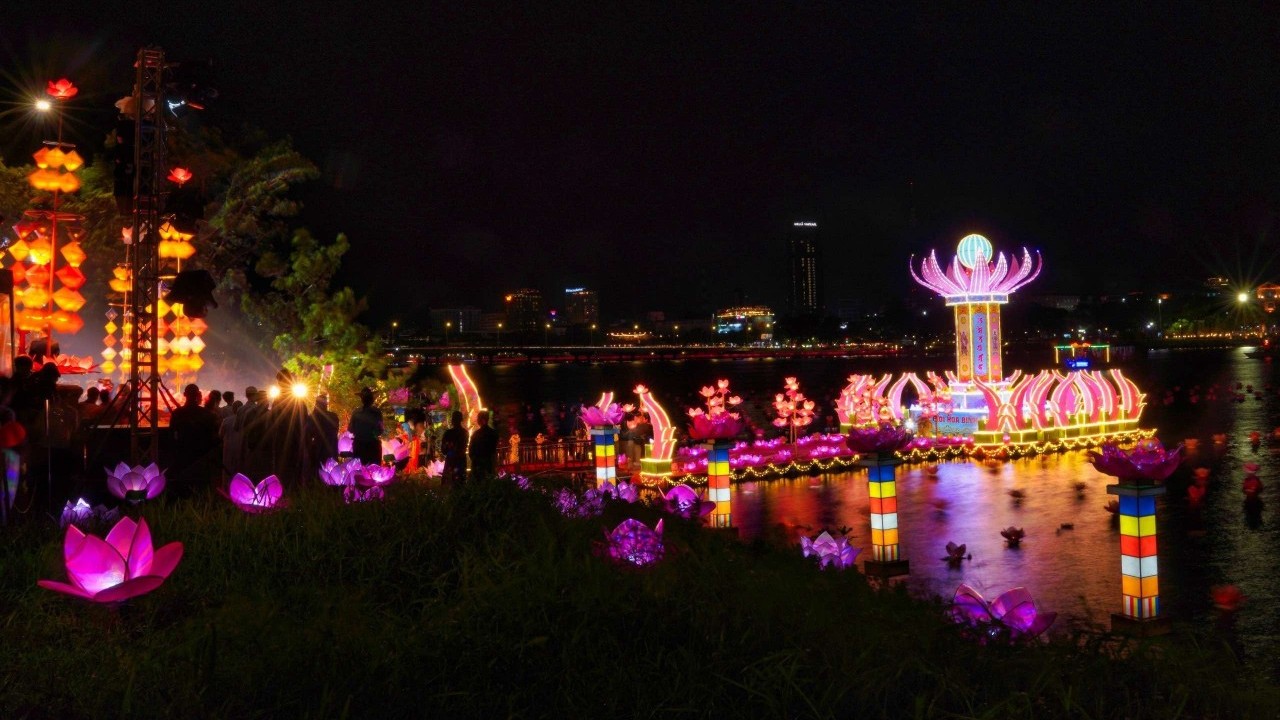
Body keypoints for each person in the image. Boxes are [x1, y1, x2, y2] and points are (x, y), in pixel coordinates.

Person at [169, 384, 221, 495]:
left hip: (183, 457)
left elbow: (171, 436)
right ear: (198, 395)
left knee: (182, 491)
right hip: (202, 458)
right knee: (202, 492)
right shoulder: (208, 415)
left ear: (184, 395)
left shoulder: (177, 414)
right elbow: (214, 437)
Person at [306, 394, 340, 475]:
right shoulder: (333, 416)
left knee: (318, 472)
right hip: (331, 448)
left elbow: (309, 433)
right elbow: (335, 430)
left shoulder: (312, 417)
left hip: (318, 450)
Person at [348, 387, 384, 464]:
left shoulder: (356, 412)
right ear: (372, 399)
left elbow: (350, 429)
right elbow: (380, 430)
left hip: (359, 445)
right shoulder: (377, 412)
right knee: (372, 471)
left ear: (361, 399)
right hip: (373, 446)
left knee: (359, 470)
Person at [468, 410, 499, 480]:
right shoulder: (493, 433)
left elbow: (471, 449)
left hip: (479, 464)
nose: (477, 420)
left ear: (483, 419)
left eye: (478, 418)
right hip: (489, 463)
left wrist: (474, 459)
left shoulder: (476, 434)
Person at [440, 410, 468, 485]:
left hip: (451, 461)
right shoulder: (465, 433)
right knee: (460, 484)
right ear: (461, 420)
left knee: (449, 484)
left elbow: (443, 449)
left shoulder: (448, 433)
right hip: (461, 461)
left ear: (452, 420)